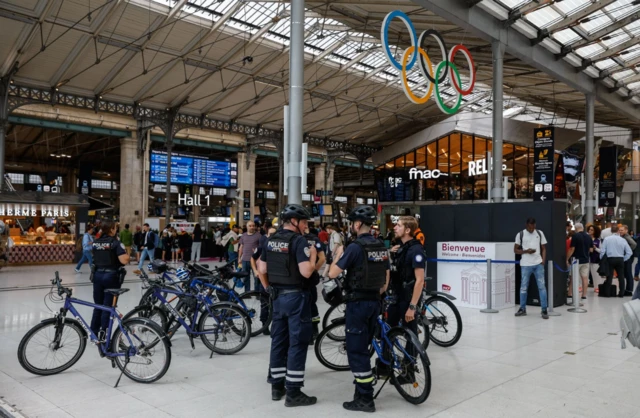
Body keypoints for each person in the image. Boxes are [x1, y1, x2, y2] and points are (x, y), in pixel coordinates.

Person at [328, 205, 389, 412]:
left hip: (358, 304)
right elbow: (386, 278)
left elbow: (333, 274)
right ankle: (361, 389)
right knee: (366, 345)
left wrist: (338, 254)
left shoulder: (355, 247)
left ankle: (365, 399)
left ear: (357, 224)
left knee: (356, 350)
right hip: (375, 302)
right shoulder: (381, 245)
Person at [257, 204, 318, 407]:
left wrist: (268, 288)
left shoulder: (271, 240)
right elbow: (306, 272)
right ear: (294, 221)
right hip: (296, 299)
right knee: (298, 343)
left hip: (277, 298)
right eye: (304, 221)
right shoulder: (299, 241)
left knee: (278, 341)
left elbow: (261, 268)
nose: (305, 225)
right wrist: (313, 257)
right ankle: (293, 392)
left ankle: (277, 386)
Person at [388, 216, 425, 348]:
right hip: (397, 296)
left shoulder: (416, 250)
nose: (395, 227)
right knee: (388, 330)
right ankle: (386, 364)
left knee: (410, 334)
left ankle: (410, 365)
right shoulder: (401, 248)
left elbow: (420, 280)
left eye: (398, 225)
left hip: (408, 299)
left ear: (408, 230)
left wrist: (412, 307)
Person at [90, 222, 129, 338]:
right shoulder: (115, 243)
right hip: (111, 276)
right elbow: (124, 260)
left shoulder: (96, 243)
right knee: (108, 306)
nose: (116, 230)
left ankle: (94, 331)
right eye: (115, 228)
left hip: (97, 275)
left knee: (98, 305)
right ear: (111, 230)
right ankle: (103, 333)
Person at [514, 218, 549, 319]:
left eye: (533, 227)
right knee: (523, 287)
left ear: (535, 225)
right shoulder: (520, 234)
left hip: (538, 264)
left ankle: (544, 309)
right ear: (526, 225)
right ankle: (522, 308)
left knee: (542, 287)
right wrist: (526, 251)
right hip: (525, 264)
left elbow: (543, 248)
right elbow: (515, 250)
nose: (531, 229)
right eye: (530, 227)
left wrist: (543, 261)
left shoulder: (539, 233)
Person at [303, 225, 326, 344]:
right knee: (312, 303)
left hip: (299, 277)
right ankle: (314, 330)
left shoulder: (295, 238)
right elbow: (322, 258)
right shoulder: (314, 239)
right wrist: (314, 270)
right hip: (311, 277)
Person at [600, 224, 633, 298]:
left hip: (610, 259)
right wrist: (624, 259)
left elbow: (602, 251)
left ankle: (607, 293)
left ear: (611, 231)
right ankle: (621, 293)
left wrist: (602, 259)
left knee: (609, 276)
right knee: (621, 277)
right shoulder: (623, 240)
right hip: (620, 259)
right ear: (618, 231)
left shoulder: (607, 239)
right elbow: (629, 252)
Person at [566, 223, 593, 303]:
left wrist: (567, 259)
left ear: (576, 228)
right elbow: (591, 250)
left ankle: (569, 294)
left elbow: (572, 249)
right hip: (586, 260)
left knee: (572, 277)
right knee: (584, 278)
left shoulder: (575, 236)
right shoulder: (589, 237)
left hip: (576, 260)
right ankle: (584, 295)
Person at [238, 221, 262, 291]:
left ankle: (257, 292)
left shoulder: (259, 235)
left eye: (253, 226)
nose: (252, 227)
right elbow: (241, 247)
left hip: (255, 260)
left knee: (257, 277)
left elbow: (262, 247)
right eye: (250, 226)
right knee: (245, 277)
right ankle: (247, 292)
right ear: (247, 226)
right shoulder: (243, 235)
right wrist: (239, 258)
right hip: (245, 259)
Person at [620, 225, 637, 296]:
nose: (620, 231)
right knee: (627, 274)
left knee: (628, 274)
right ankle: (628, 289)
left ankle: (629, 290)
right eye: (620, 230)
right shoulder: (622, 237)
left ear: (626, 230)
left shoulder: (626, 237)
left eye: (622, 230)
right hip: (627, 257)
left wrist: (628, 250)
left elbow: (634, 244)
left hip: (627, 258)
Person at [588, 225, 604, 293]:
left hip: (595, 259)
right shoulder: (586, 239)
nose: (590, 231)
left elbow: (601, 250)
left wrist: (595, 248)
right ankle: (581, 286)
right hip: (586, 259)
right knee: (584, 274)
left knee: (596, 274)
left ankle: (597, 286)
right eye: (589, 229)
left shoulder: (598, 241)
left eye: (592, 230)